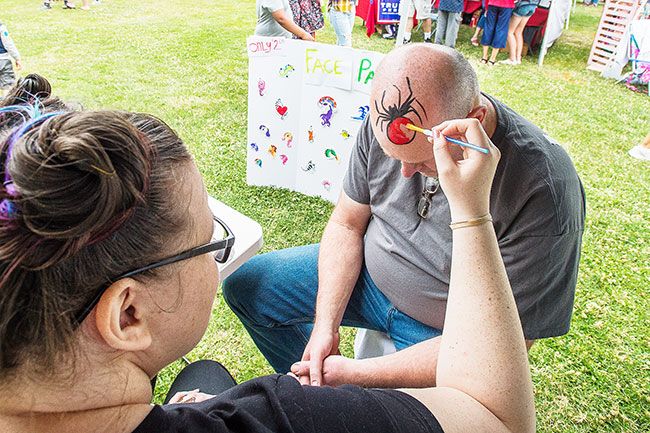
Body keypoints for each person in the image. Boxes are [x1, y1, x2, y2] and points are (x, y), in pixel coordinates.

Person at [0, 78, 536, 432]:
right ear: (128, 315)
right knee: (243, 305)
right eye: (210, 240)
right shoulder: (286, 418)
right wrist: (471, 210)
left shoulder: (542, 182)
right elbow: (495, 417)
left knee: (204, 373)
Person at [223, 43, 585, 387]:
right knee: (248, 287)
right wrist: (324, 327)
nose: (406, 174)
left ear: (472, 119)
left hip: (445, 332)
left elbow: (504, 347)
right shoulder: (386, 120)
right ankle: (318, 385)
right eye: (395, 157)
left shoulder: (545, 187)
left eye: (422, 159)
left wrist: (359, 376)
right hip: (369, 279)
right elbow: (347, 223)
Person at [500, 0, 541, 65]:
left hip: (522, 5)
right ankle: (518, 58)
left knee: (509, 32)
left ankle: (512, 59)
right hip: (533, 6)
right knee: (518, 32)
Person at [480, 0, 514, 65]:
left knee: (488, 28)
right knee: (501, 30)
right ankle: (492, 59)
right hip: (507, 4)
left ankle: (484, 57)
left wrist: (487, 6)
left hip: (493, 3)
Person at [0, 21, 22, 95]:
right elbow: (8, 44)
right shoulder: (1, 28)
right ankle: (6, 104)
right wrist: (17, 58)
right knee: (8, 85)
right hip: (3, 60)